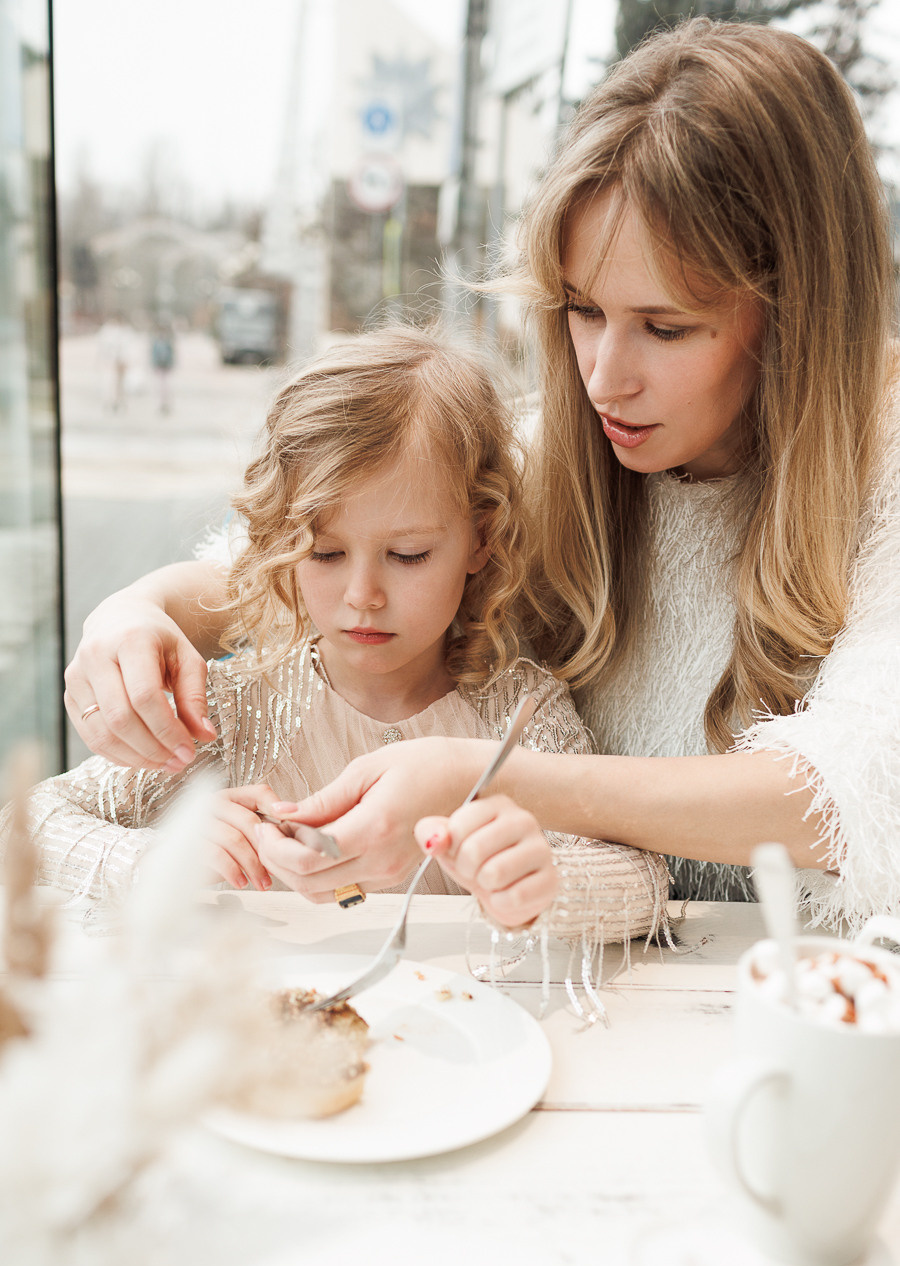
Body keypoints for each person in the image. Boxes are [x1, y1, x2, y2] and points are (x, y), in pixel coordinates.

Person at [61, 20, 899, 930]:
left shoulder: (882, 463)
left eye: (666, 327)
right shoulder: (559, 453)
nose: (603, 377)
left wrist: (484, 775)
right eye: (581, 310)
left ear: (794, 311)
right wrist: (133, 613)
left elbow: (852, 796)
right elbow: (287, 559)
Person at [6, 326, 668, 960]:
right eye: (323, 553)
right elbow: (30, 820)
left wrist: (540, 879)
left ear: (481, 539)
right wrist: (173, 855)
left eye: (407, 555)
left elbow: (642, 877)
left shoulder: (519, 710)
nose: (363, 595)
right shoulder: (233, 711)